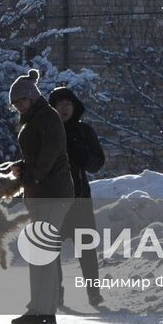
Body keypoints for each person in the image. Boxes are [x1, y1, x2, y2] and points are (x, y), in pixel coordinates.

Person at [6, 67, 71, 324]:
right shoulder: (36, 117)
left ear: (32, 96)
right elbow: (41, 153)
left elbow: (51, 151)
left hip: (51, 192)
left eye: (22, 100)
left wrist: (33, 175)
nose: (19, 105)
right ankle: (41, 307)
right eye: (15, 103)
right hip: (44, 190)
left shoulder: (45, 117)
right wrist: (25, 166)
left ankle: (42, 309)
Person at [48, 85, 105, 307]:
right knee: (51, 250)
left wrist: (80, 150)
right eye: (60, 105)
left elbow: (96, 164)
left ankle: (94, 294)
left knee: (87, 251)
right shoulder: (46, 131)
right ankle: (57, 295)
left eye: (68, 105)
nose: (64, 109)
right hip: (54, 202)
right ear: (52, 108)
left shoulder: (84, 131)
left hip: (80, 200)